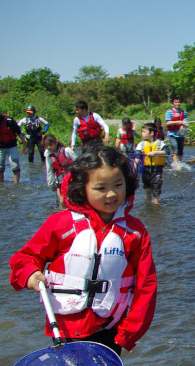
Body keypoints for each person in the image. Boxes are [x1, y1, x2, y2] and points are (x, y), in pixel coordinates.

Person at [9, 146, 157, 355]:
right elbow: (25, 258)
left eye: (118, 185)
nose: (112, 194)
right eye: (100, 188)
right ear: (82, 188)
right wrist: (30, 274)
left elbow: (146, 285)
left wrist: (129, 332)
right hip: (65, 328)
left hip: (111, 328)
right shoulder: (60, 224)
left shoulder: (135, 232)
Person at [134, 123, 170, 206]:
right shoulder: (141, 144)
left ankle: (156, 201)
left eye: (144, 132)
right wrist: (134, 168)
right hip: (145, 168)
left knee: (157, 184)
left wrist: (155, 152)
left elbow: (167, 152)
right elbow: (137, 156)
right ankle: (149, 201)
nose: (142, 133)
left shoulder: (160, 143)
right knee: (147, 186)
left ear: (151, 133)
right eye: (142, 132)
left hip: (157, 168)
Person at [43, 134, 76, 209]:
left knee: (72, 200)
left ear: (56, 142)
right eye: (46, 145)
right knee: (61, 202)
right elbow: (49, 171)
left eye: (51, 145)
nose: (49, 147)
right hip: (59, 181)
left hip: (71, 180)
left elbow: (78, 162)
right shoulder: (48, 155)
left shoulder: (67, 151)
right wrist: (51, 184)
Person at [0, 113, 27, 184]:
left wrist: (24, 145)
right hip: (0, 147)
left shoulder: (9, 121)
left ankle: (16, 184)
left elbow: (19, 132)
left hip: (12, 146)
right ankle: (1, 184)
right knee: (0, 167)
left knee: (15, 166)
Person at [165, 97, 189, 164]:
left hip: (181, 134)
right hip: (172, 134)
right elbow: (168, 123)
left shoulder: (183, 112)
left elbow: (186, 121)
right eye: (176, 102)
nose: (178, 103)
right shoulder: (169, 112)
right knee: (175, 149)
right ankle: (176, 164)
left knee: (181, 150)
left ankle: (180, 163)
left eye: (178, 102)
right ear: (173, 104)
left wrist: (184, 123)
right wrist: (177, 122)